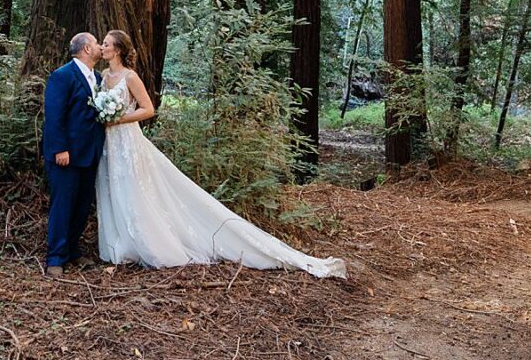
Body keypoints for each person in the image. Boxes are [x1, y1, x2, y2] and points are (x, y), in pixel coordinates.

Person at [93, 28, 346, 278]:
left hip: (128, 140)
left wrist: (119, 118)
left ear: (118, 49)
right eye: (102, 43)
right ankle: (122, 243)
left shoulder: (130, 77)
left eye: (106, 43)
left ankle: (148, 242)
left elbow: (148, 109)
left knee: (136, 188)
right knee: (115, 186)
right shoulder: (104, 76)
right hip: (110, 142)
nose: (102, 47)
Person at [39, 31, 105, 276]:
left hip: (90, 153)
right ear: (86, 48)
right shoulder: (62, 76)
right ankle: (55, 257)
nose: (100, 47)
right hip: (66, 154)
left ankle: (72, 251)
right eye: (96, 43)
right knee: (63, 205)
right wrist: (60, 148)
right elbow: (54, 115)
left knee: (82, 206)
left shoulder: (97, 78)